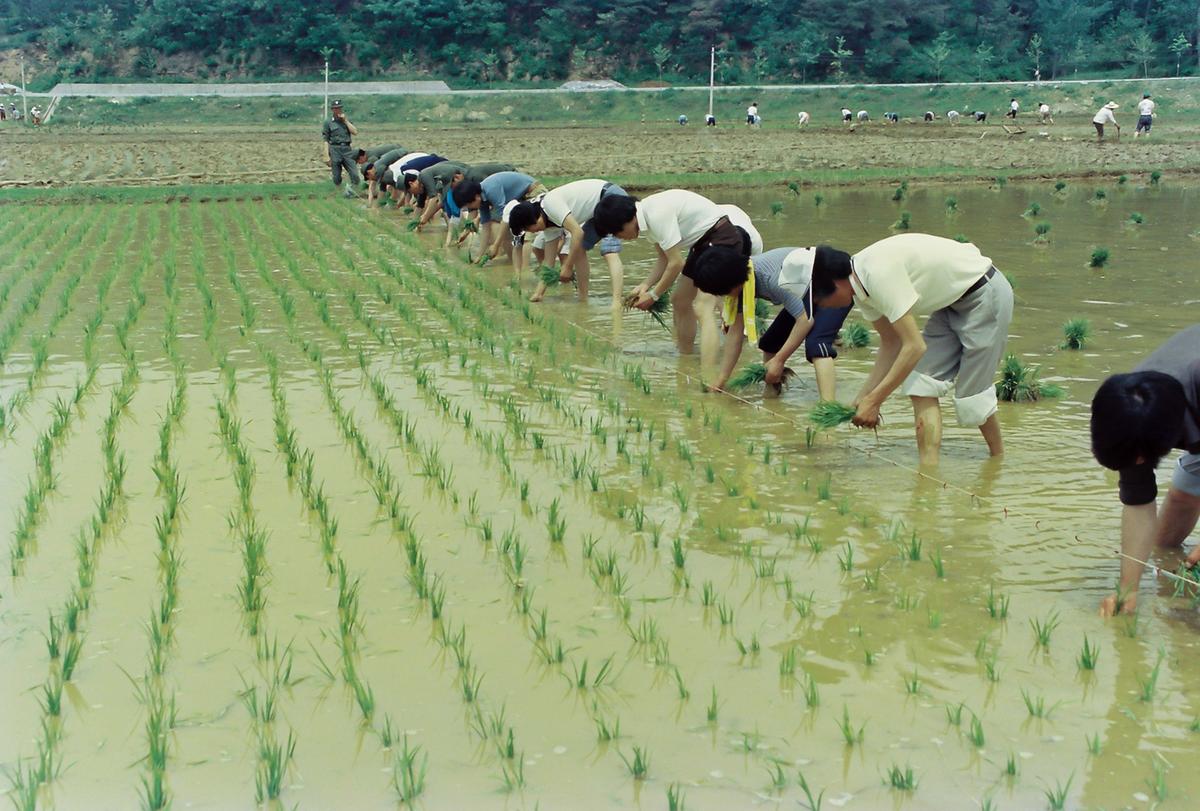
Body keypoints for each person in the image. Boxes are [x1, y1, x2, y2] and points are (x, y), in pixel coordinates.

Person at [811, 233, 1014, 466]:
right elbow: (892, 344)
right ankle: (928, 472)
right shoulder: (860, 287)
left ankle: (998, 461)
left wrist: (876, 400)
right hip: (950, 302)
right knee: (921, 383)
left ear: (835, 285)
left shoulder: (877, 275)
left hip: (984, 294)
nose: (821, 307)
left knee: (972, 399)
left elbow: (914, 347)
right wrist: (864, 397)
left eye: (818, 300)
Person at [1092, 326, 1200, 618]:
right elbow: (1138, 502)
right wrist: (1129, 589)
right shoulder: (1129, 409)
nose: (1136, 464)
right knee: (1178, 507)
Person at [592, 190, 763, 354]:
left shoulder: (656, 214)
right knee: (679, 300)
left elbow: (676, 264)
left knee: (703, 306)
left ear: (624, 220)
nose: (620, 238)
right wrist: (644, 285)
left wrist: (653, 295)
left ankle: (710, 373)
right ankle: (685, 358)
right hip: (701, 244)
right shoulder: (647, 218)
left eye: (616, 233)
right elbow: (664, 259)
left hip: (720, 237)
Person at [691, 246, 852, 400]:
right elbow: (735, 334)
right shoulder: (743, 280)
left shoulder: (773, 278)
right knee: (769, 343)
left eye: (723, 291)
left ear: (732, 281)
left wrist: (779, 360)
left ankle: (827, 408)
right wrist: (721, 380)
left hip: (836, 287)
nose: (724, 296)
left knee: (817, 345)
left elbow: (805, 321)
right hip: (806, 295)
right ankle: (772, 397)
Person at [506, 178, 628, 303]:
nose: (532, 232)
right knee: (580, 250)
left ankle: (617, 302)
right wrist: (538, 294)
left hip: (611, 198)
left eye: (528, 228)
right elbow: (549, 263)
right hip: (596, 211)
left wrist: (568, 266)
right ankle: (583, 300)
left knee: (609, 250)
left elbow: (578, 233)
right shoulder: (549, 226)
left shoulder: (551, 205)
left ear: (534, 218)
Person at [453, 172, 546, 263]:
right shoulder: (482, 201)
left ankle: (524, 272)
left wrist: (496, 245)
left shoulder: (491, 188)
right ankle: (513, 266)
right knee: (506, 234)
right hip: (521, 199)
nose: (470, 208)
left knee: (524, 236)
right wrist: (479, 256)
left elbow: (504, 219)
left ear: (476, 197)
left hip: (533, 192)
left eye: (469, 205)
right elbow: (486, 228)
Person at [407, 160, 467, 228]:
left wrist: (425, 218)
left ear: (411, 184)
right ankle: (456, 229)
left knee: (453, 207)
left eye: (411, 191)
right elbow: (419, 206)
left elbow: (435, 199)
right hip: (450, 180)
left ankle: (458, 228)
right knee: (448, 207)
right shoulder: (422, 186)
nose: (413, 193)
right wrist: (415, 223)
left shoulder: (423, 176)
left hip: (460, 174)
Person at [321, 100, 360, 197]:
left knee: (354, 174)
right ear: (332, 110)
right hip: (335, 149)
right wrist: (326, 155)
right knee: (337, 176)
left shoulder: (346, 120)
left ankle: (352, 192)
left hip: (347, 149)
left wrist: (345, 121)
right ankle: (338, 193)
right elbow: (326, 139)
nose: (338, 110)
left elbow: (355, 132)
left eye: (339, 108)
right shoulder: (328, 122)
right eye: (335, 108)